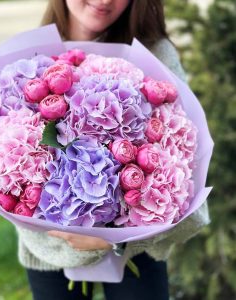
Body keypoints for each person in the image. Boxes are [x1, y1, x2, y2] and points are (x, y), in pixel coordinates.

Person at [17, 1, 210, 299]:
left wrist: (118, 240)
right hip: (48, 249)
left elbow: (189, 183)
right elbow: (5, 163)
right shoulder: (29, 54)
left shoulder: (153, 53)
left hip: (135, 256)